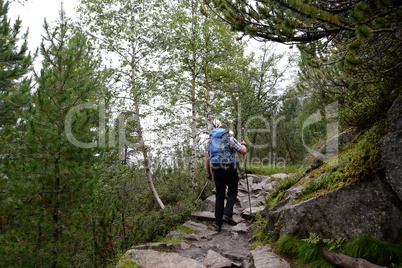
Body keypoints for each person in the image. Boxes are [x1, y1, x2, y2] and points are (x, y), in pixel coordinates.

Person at [204, 124, 247, 232]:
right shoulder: (230, 139)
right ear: (226, 132)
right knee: (232, 191)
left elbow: (207, 159)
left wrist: (208, 174)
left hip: (216, 169)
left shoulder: (210, 142)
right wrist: (243, 145)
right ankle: (227, 214)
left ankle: (218, 224)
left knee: (220, 195)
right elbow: (243, 151)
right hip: (229, 168)